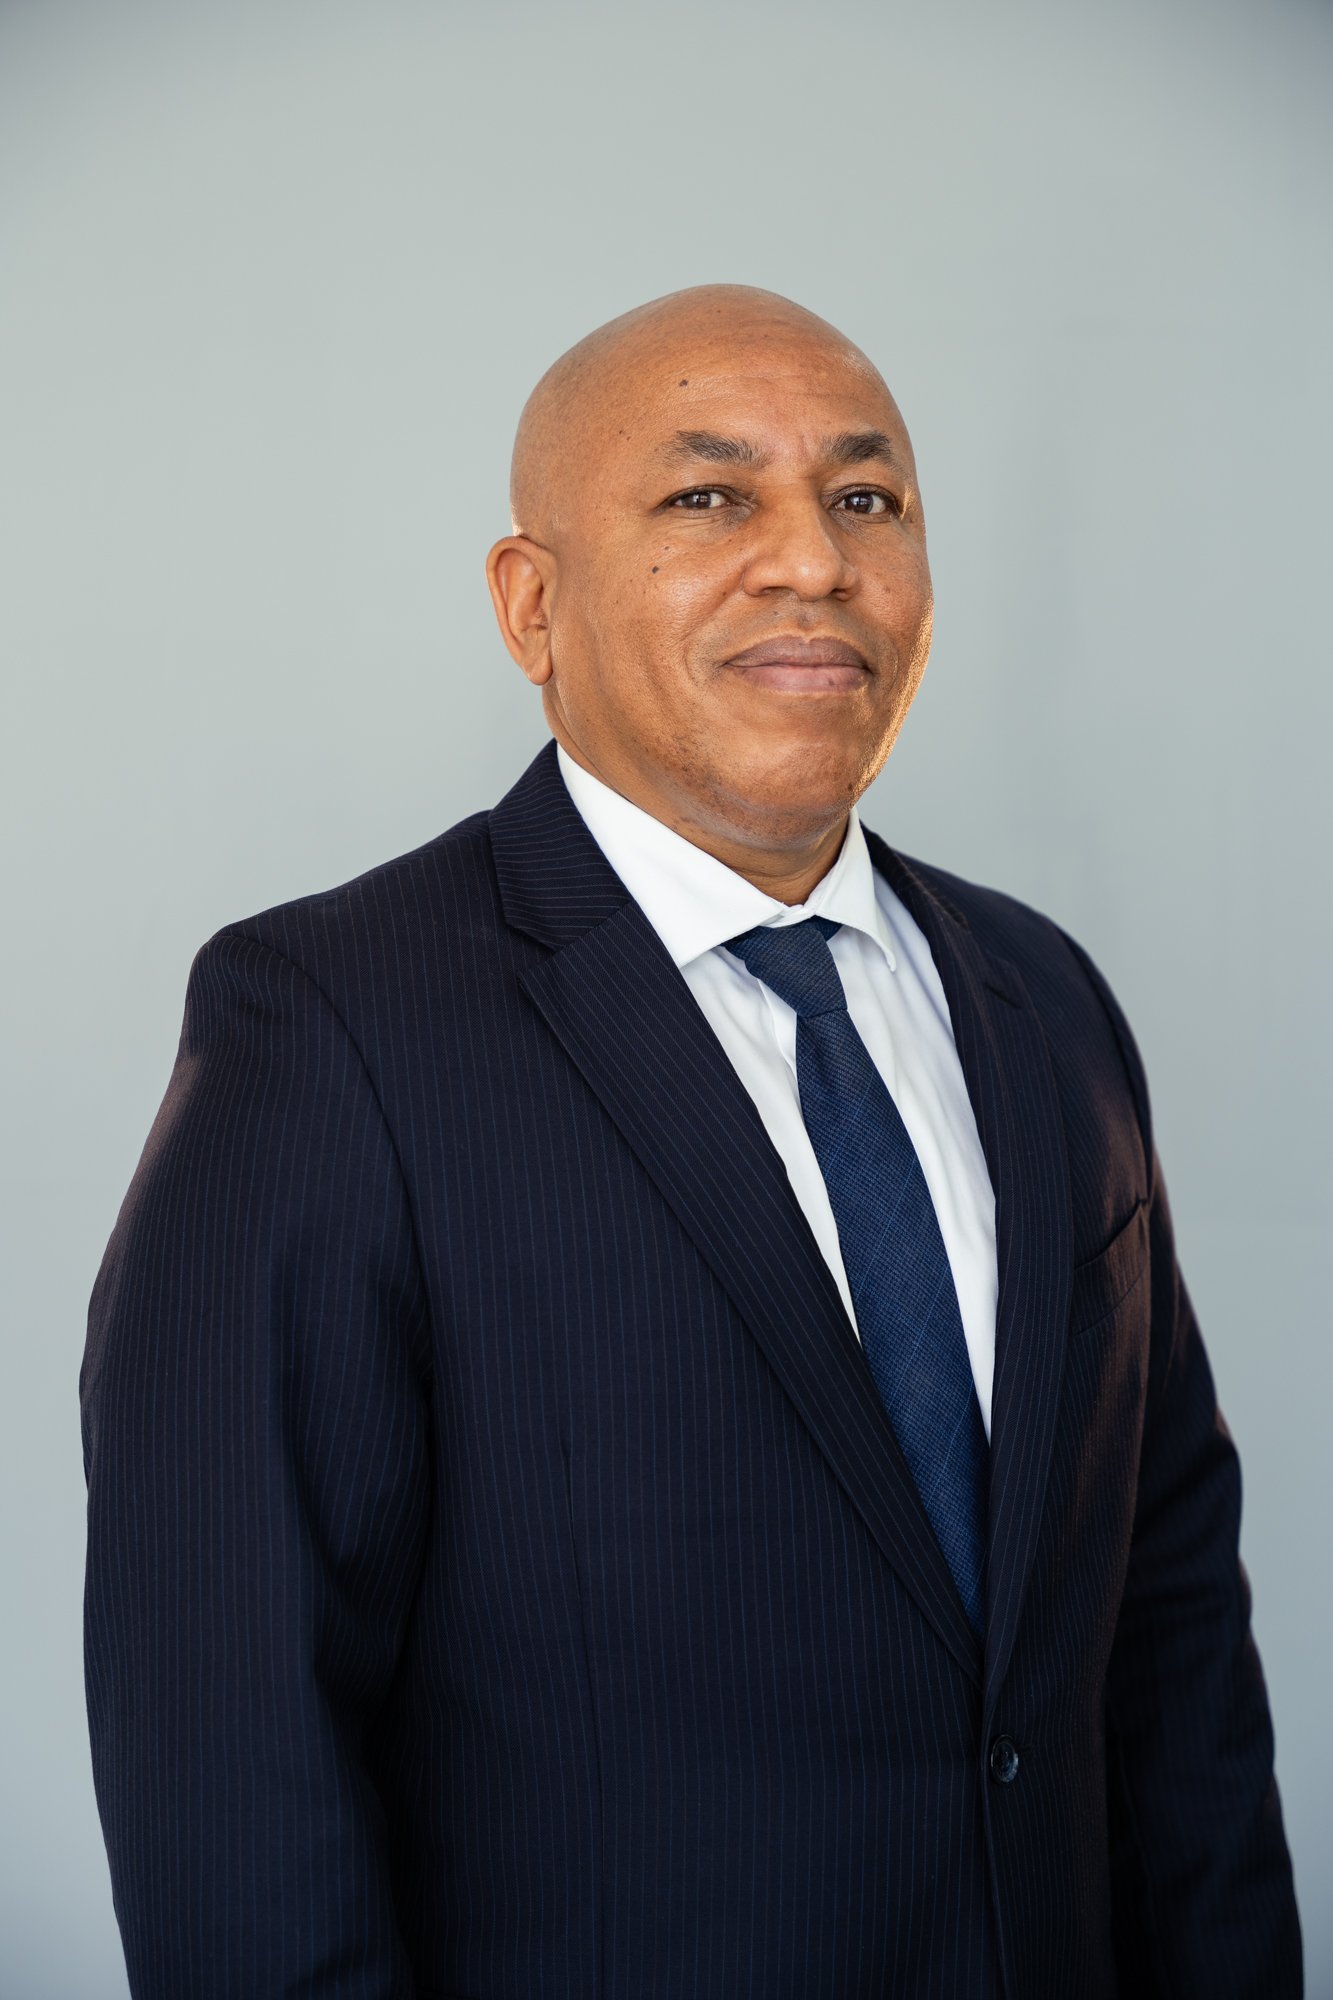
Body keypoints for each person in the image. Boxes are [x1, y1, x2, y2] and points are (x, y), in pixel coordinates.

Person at [80, 284, 1302, 1998]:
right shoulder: (331, 1024)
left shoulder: (1044, 999)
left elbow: (1168, 1631)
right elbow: (228, 1741)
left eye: (864, 498)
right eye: (707, 496)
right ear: (532, 605)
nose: (813, 560)